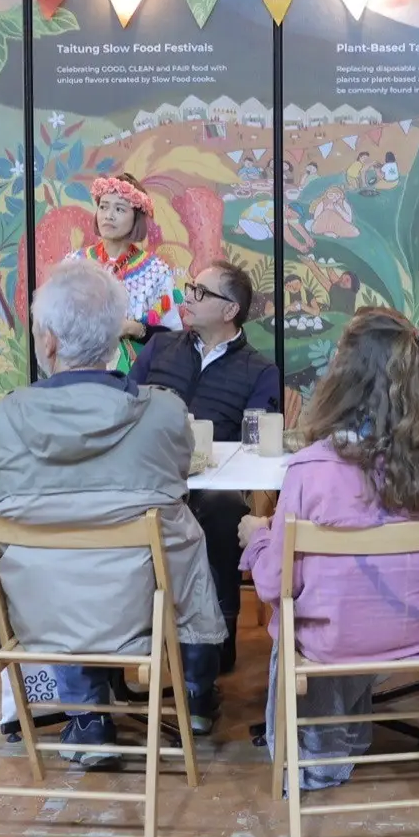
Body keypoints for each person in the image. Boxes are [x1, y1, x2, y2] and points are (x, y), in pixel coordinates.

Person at [0, 258, 226, 759]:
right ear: (116, 341)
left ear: (47, 342)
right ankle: (191, 694)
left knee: (55, 557)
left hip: (41, 618)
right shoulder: (163, 413)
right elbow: (178, 474)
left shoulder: (4, 420)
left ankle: (88, 719)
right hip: (143, 613)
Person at [237, 309, 419, 790]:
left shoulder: (310, 469)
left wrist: (256, 535)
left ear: (341, 379)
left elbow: (272, 583)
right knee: (343, 594)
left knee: (309, 609)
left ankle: (320, 754)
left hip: (334, 644)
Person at [129, 259, 280, 680]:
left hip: (214, 486)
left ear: (230, 310)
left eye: (199, 292)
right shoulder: (160, 349)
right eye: (189, 288)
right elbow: (127, 409)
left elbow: (257, 450)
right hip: (151, 478)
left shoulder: (260, 371)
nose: (187, 298)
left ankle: (217, 633)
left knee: (220, 505)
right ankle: (127, 634)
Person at [72, 172, 180, 371]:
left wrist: (136, 329)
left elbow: (173, 337)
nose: (108, 216)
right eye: (103, 207)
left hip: (136, 381)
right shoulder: (74, 265)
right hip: (81, 376)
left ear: (136, 218)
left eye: (119, 209)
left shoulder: (156, 272)